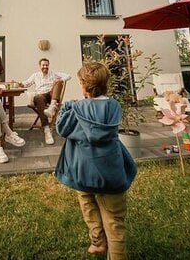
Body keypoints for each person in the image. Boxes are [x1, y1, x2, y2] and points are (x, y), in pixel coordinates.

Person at [55, 62, 137, 258]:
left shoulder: (76, 108)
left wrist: (66, 107)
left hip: (83, 171)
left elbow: (62, 128)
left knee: (86, 199)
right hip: (111, 171)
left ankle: (98, 241)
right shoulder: (114, 106)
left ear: (84, 85)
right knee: (115, 218)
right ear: (105, 83)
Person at [19, 58, 71, 145]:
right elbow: (26, 83)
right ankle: (47, 130)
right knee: (39, 97)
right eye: (43, 65)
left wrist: (60, 80)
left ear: (48, 65)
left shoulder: (53, 73)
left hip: (51, 97)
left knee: (58, 82)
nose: (45, 67)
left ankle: (51, 108)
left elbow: (68, 76)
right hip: (40, 96)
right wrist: (20, 84)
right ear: (40, 66)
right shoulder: (35, 75)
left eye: (46, 65)